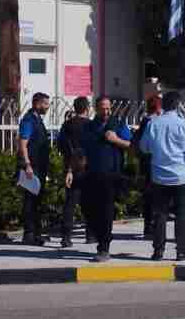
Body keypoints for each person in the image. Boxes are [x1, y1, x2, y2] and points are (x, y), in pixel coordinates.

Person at [139, 91, 185, 262]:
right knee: (181, 214)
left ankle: (158, 251)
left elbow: (144, 147)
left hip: (159, 176)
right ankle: (181, 251)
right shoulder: (184, 125)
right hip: (180, 175)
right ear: (177, 105)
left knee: (160, 214)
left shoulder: (153, 123)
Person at [81, 96, 133, 262]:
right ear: (96, 109)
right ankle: (99, 237)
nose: (106, 112)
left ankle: (104, 248)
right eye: (103, 108)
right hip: (91, 174)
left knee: (106, 211)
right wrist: (72, 169)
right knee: (89, 209)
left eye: (108, 108)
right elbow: (81, 149)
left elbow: (131, 145)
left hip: (111, 174)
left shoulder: (118, 124)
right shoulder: (89, 126)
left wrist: (115, 140)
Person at [17, 92, 52, 245]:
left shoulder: (37, 120)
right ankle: (29, 234)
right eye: (45, 104)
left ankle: (37, 233)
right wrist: (27, 164)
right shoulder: (28, 120)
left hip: (40, 166)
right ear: (37, 104)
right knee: (30, 200)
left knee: (37, 200)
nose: (47, 107)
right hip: (32, 167)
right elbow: (23, 144)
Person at [57, 97, 92, 248]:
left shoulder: (67, 125)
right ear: (87, 108)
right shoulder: (91, 125)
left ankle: (66, 237)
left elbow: (60, 145)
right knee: (90, 202)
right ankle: (90, 235)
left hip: (70, 168)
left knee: (70, 203)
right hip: (88, 168)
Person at [132, 94, 163, 238]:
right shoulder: (155, 121)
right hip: (156, 162)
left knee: (149, 195)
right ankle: (153, 225)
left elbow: (138, 142)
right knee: (156, 195)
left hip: (146, 162)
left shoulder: (145, 121)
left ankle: (148, 225)